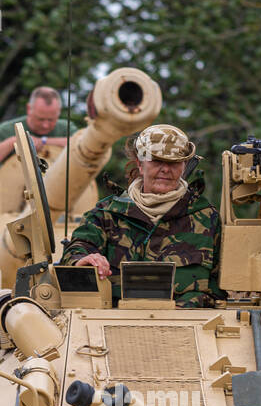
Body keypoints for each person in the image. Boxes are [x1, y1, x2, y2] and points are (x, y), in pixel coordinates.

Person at [60, 124, 224, 308]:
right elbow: (76, 251)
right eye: (156, 161)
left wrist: (190, 304)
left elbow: (222, 286)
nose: (165, 169)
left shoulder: (207, 218)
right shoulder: (107, 214)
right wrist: (86, 260)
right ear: (140, 164)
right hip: (113, 322)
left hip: (190, 326)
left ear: (184, 166)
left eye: (174, 163)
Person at [0, 87, 71, 171]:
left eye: (51, 120)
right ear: (29, 109)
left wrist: (42, 141)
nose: (45, 125)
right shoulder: (5, 130)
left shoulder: (66, 128)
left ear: (59, 112)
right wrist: (15, 141)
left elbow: (80, 145)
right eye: (40, 119)